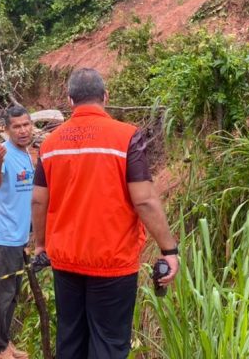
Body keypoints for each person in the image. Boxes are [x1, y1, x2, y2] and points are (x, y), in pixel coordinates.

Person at [31, 68, 179, 359]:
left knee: (70, 342)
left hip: (65, 262)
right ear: (106, 96)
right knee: (108, 346)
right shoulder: (126, 137)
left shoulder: (49, 144)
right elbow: (145, 200)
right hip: (112, 264)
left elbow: (38, 201)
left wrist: (41, 245)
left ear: (70, 100)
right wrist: (169, 249)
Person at [0, 105, 35, 359]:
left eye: (26, 124)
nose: (23, 130)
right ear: (7, 130)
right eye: (17, 126)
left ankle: (4, 343)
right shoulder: (0, 154)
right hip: (4, 237)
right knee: (1, 296)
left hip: (19, 237)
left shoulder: (27, 154)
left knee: (12, 294)